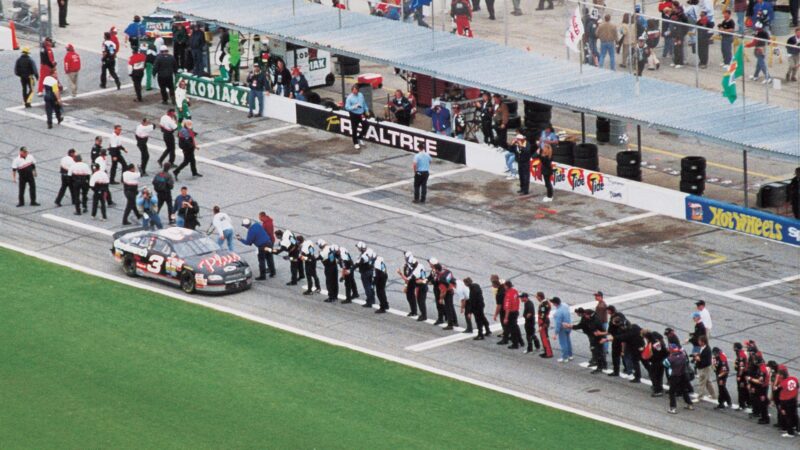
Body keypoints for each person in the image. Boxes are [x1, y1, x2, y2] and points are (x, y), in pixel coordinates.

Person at [571, 307, 606, 373]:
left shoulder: (596, 320)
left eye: (586, 315)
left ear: (589, 315)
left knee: (599, 352)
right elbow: (581, 325)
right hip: (592, 336)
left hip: (598, 338)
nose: (584, 316)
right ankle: (597, 362)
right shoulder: (585, 317)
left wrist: (602, 337)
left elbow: (602, 330)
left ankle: (600, 367)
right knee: (593, 349)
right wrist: (572, 327)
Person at [665, 344, 695, 414]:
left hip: (674, 376)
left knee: (672, 392)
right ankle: (689, 404)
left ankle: (673, 408)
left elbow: (665, 364)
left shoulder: (670, 358)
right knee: (684, 390)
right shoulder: (682, 356)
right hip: (683, 375)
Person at [643, 330, 668, 396]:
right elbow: (664, 351)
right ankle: (659, 388)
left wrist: (650, 358)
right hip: (661, 361)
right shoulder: (657, 342)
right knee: (659, 376)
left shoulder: (652, 344)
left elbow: (655, 354)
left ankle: (658, 390)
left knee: (654, 376)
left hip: (656, 362)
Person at [345, 85, 369, 149]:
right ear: (352, 90)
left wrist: (366, 110)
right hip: (354, 115)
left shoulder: (361, 95)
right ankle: (355, 143)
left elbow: (364, 103)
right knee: (354, 129)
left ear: (358, 90)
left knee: (366, 124)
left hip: (361, 114)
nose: (355, 91)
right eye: (353, 90)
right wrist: (354, 106)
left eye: (356, 90)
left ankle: (360, 137)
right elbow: (347, 107)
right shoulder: (349, 98)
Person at [434, 261, 457, 329]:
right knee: (451, 307)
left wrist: (441, 299)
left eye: (435, 269)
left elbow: (443, 291)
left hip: (448, 292)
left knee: (448, 308)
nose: (434, 271)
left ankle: (450, 324)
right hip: (452, 288)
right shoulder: (447, 271)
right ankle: (454, 321)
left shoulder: (441, 279)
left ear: (437, 270)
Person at [501, 281, 523, 350]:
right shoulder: (515, 291)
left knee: (512, 329)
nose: (504, 287)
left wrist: (506, 318)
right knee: (516, 327)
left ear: (507, 286)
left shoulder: (508, 295)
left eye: (504, 286)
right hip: (516, 311)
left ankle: (515, 344)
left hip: (511, 313)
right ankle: (521, 341)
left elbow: (508, 308)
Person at [777, 366, 798, 437]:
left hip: (786, 401)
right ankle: (798, 429)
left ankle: (790, 432)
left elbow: (778, 389)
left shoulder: (783, 383)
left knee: (787, 416)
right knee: (795, 414)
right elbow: (797, 387)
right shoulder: (794, 379)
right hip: (793, 399)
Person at [355, 242, 376, 308]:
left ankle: (369, 302)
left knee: (367, 287)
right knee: (371, 286)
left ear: (361, 248)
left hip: (365, 272)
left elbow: (358, 264)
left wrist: (351, 270)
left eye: (358, 248)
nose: (358, 249)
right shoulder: (370, 250)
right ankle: (372, 300)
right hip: (371, 271)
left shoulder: (363, 257)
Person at [551, 297, 572, 362]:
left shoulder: (558, 312)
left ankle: (565, 357)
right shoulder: (565, 305)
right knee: (568, 341)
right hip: (569, 325)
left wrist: (555, 334)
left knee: (563, 343)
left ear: (555, 303)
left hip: (562, 328)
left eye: (553, 303)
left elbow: (558, 324)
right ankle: (570, 355)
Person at [258, 211, 277, 277]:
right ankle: (271, 269)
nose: (259, 218)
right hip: (270, 241)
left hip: (268, 242)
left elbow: (267, 233)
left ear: (262, 216)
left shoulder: (266, 224)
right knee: (268, 256)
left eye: (259, 217)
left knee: (268, 257)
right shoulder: (268, 221)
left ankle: (272, 271)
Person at [535, 292, 553, 358]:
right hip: (545, 321)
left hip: (543, 322)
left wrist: (541, 325)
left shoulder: (543, 305)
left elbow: (543, 315)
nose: (536, 298)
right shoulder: (547, 303)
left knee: (544, 338)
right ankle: (547, 351)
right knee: (545, 337)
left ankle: (548, 353)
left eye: (536, 296)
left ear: (539, 297)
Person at [491, 275, 507, 341]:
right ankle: (506, 333)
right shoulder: (503, 287)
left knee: (504, 322)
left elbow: (499, 305)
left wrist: (495, 315)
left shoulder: (499, 293)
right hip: (506, 306)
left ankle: (506, 335)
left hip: (503, 308)